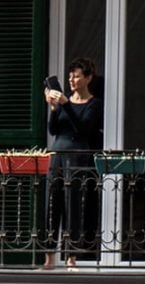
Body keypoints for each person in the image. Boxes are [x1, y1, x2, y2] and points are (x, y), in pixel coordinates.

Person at [42, 58, 104, 269]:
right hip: (57, 154)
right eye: (70, 76)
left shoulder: (94, 104)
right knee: (52, 204)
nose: (72, 80)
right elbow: (53, 130)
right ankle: (49, 258)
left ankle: (71, 257)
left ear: (88, 78)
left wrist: (66, 105)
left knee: (73, 205)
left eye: (77, 76)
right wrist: (52, 108)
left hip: (77, 157)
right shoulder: (62, 102)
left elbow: (83, 129)